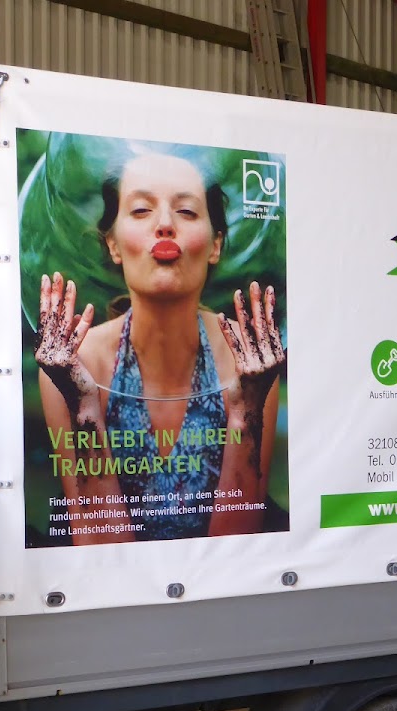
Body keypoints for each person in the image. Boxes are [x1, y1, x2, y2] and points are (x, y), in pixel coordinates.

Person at [35, 152, 284, 543]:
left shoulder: (249, 359)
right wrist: (83, 407)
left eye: (186, 211)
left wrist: (246, 412)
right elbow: (101, 549)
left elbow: (238, 542)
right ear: (114, 244)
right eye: (140, 210)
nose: (165, 224)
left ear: (215, 245)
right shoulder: (78, 362)